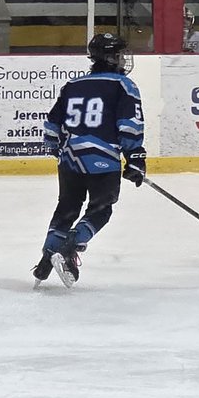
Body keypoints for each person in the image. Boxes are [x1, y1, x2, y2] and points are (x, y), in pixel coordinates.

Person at [32, 32, 146, 288]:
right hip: (103, 158)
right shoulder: (123, 85)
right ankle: (72, 244)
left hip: (70, 159)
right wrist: (135, 158)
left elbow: (51, 126)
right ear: (111, 57)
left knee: (66, 208)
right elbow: (129, 125)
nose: (122, 59)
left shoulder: (73, 85)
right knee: (101, 209)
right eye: (118, 54)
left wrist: (59, 151)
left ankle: (46, 258)